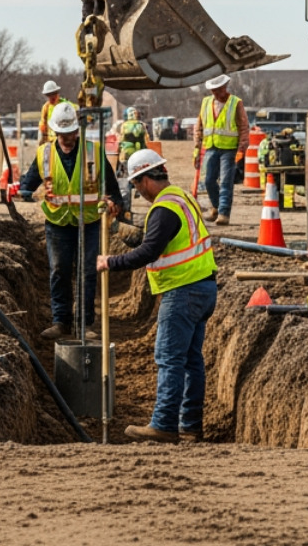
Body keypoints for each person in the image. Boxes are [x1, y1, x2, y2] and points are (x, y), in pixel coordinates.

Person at [98, 148, 216, 444]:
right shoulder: (180, 197)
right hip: (202, 288)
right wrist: (116, 226)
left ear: (145, 179)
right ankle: (190, 426)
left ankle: (163, 424)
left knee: (169, 358)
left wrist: (110, 262)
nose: (138, 192)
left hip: (183, 291)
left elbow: (148, 251)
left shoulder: (164, 209)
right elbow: (149, 237)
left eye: (136, 186)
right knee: (190, 361)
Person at [18, 101, 122, 340]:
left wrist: (116, 201)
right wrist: (21, 190)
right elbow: (29, 182)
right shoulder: (45, 153)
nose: (67, 138)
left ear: (77, 130)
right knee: (59, 271)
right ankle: (61, 321)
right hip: (57, 223)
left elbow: (111, 185)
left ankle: (85, 323)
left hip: (89, 222)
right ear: (56, 131)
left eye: (71, 132)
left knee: (87, 271)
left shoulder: (93, 151)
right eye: (63, 133)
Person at [193, 74, 247, 225]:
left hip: (229, 149)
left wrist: (241, 149)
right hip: (211, 147)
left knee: (225, 182)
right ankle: (216, 207)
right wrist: (197, 148)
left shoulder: (235, 103)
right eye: (213, 91)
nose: (216, 93)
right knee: (209, 180)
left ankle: (223, 213)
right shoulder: (206, 102)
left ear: (225, 87)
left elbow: (243, 126)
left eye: (218, 90)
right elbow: (199, 126)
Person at [118, 106, 150, 211]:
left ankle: (126, 207)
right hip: (139, 155)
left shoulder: (124, 126)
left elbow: (120, 140)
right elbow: (146, 141)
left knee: (125, 178)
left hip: (126, 155)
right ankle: (138, 189)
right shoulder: (141, 125)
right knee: (138, 174)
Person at [37, 80, 71, 145]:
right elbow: (43, 125)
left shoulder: (65, 105)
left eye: (53, 94)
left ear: (57, 93)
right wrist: (42, 140)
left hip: (63, 142)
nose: (51, 97)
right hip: (51, 142)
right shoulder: (46, 107)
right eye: (48, 95)